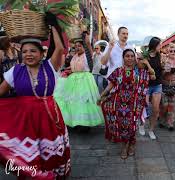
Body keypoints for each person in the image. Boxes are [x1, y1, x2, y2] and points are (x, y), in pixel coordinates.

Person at [0, 27, 70, 178]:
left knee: (49, 153)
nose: (28, 55)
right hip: (24, 120)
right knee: (29, 156)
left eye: (32, 51)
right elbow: (1, 91)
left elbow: (59, 48)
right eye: (24, 52)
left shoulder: (50, 67)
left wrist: (53, 27)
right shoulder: (15, 71)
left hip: (49, 118)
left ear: (42, 53)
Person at [100, 49, 150, 159]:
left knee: (132, 125)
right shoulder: (118, 71)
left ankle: (132, 143)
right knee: (122, 125)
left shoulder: (140, 72)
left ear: (135, 58)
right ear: (123, 58)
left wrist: (147, 64)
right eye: (127, 56)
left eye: (132, 56)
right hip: (119, 103)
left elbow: (153, 76)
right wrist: (102, 95)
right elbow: (111, 85)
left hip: (134, 104)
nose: (130, 58)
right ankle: (124, 146)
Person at [54, 35, 104, 129]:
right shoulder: (74, 57)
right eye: (76, 46)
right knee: (73, 101)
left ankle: (84, 123)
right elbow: (73, 68)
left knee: (84, 101)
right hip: (73, 81)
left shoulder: (88, 56)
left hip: (85, 80)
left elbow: (88, 46)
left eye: (79, 46)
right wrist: (67, 71)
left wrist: (86, 37)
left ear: (83, 46)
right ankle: (75, 120)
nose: (77, 48)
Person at [144, 37, 163, 140]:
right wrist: (149, 74)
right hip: (146, 85)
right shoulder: (145, 56)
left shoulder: (160, 56)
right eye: (160, 45)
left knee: (155, 110)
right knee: (145, 108)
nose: (161, 47)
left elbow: (161, 69)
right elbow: (140, 69)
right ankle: (141, 124)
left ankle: (151, 130)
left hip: (157, 85)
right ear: (154, 45)